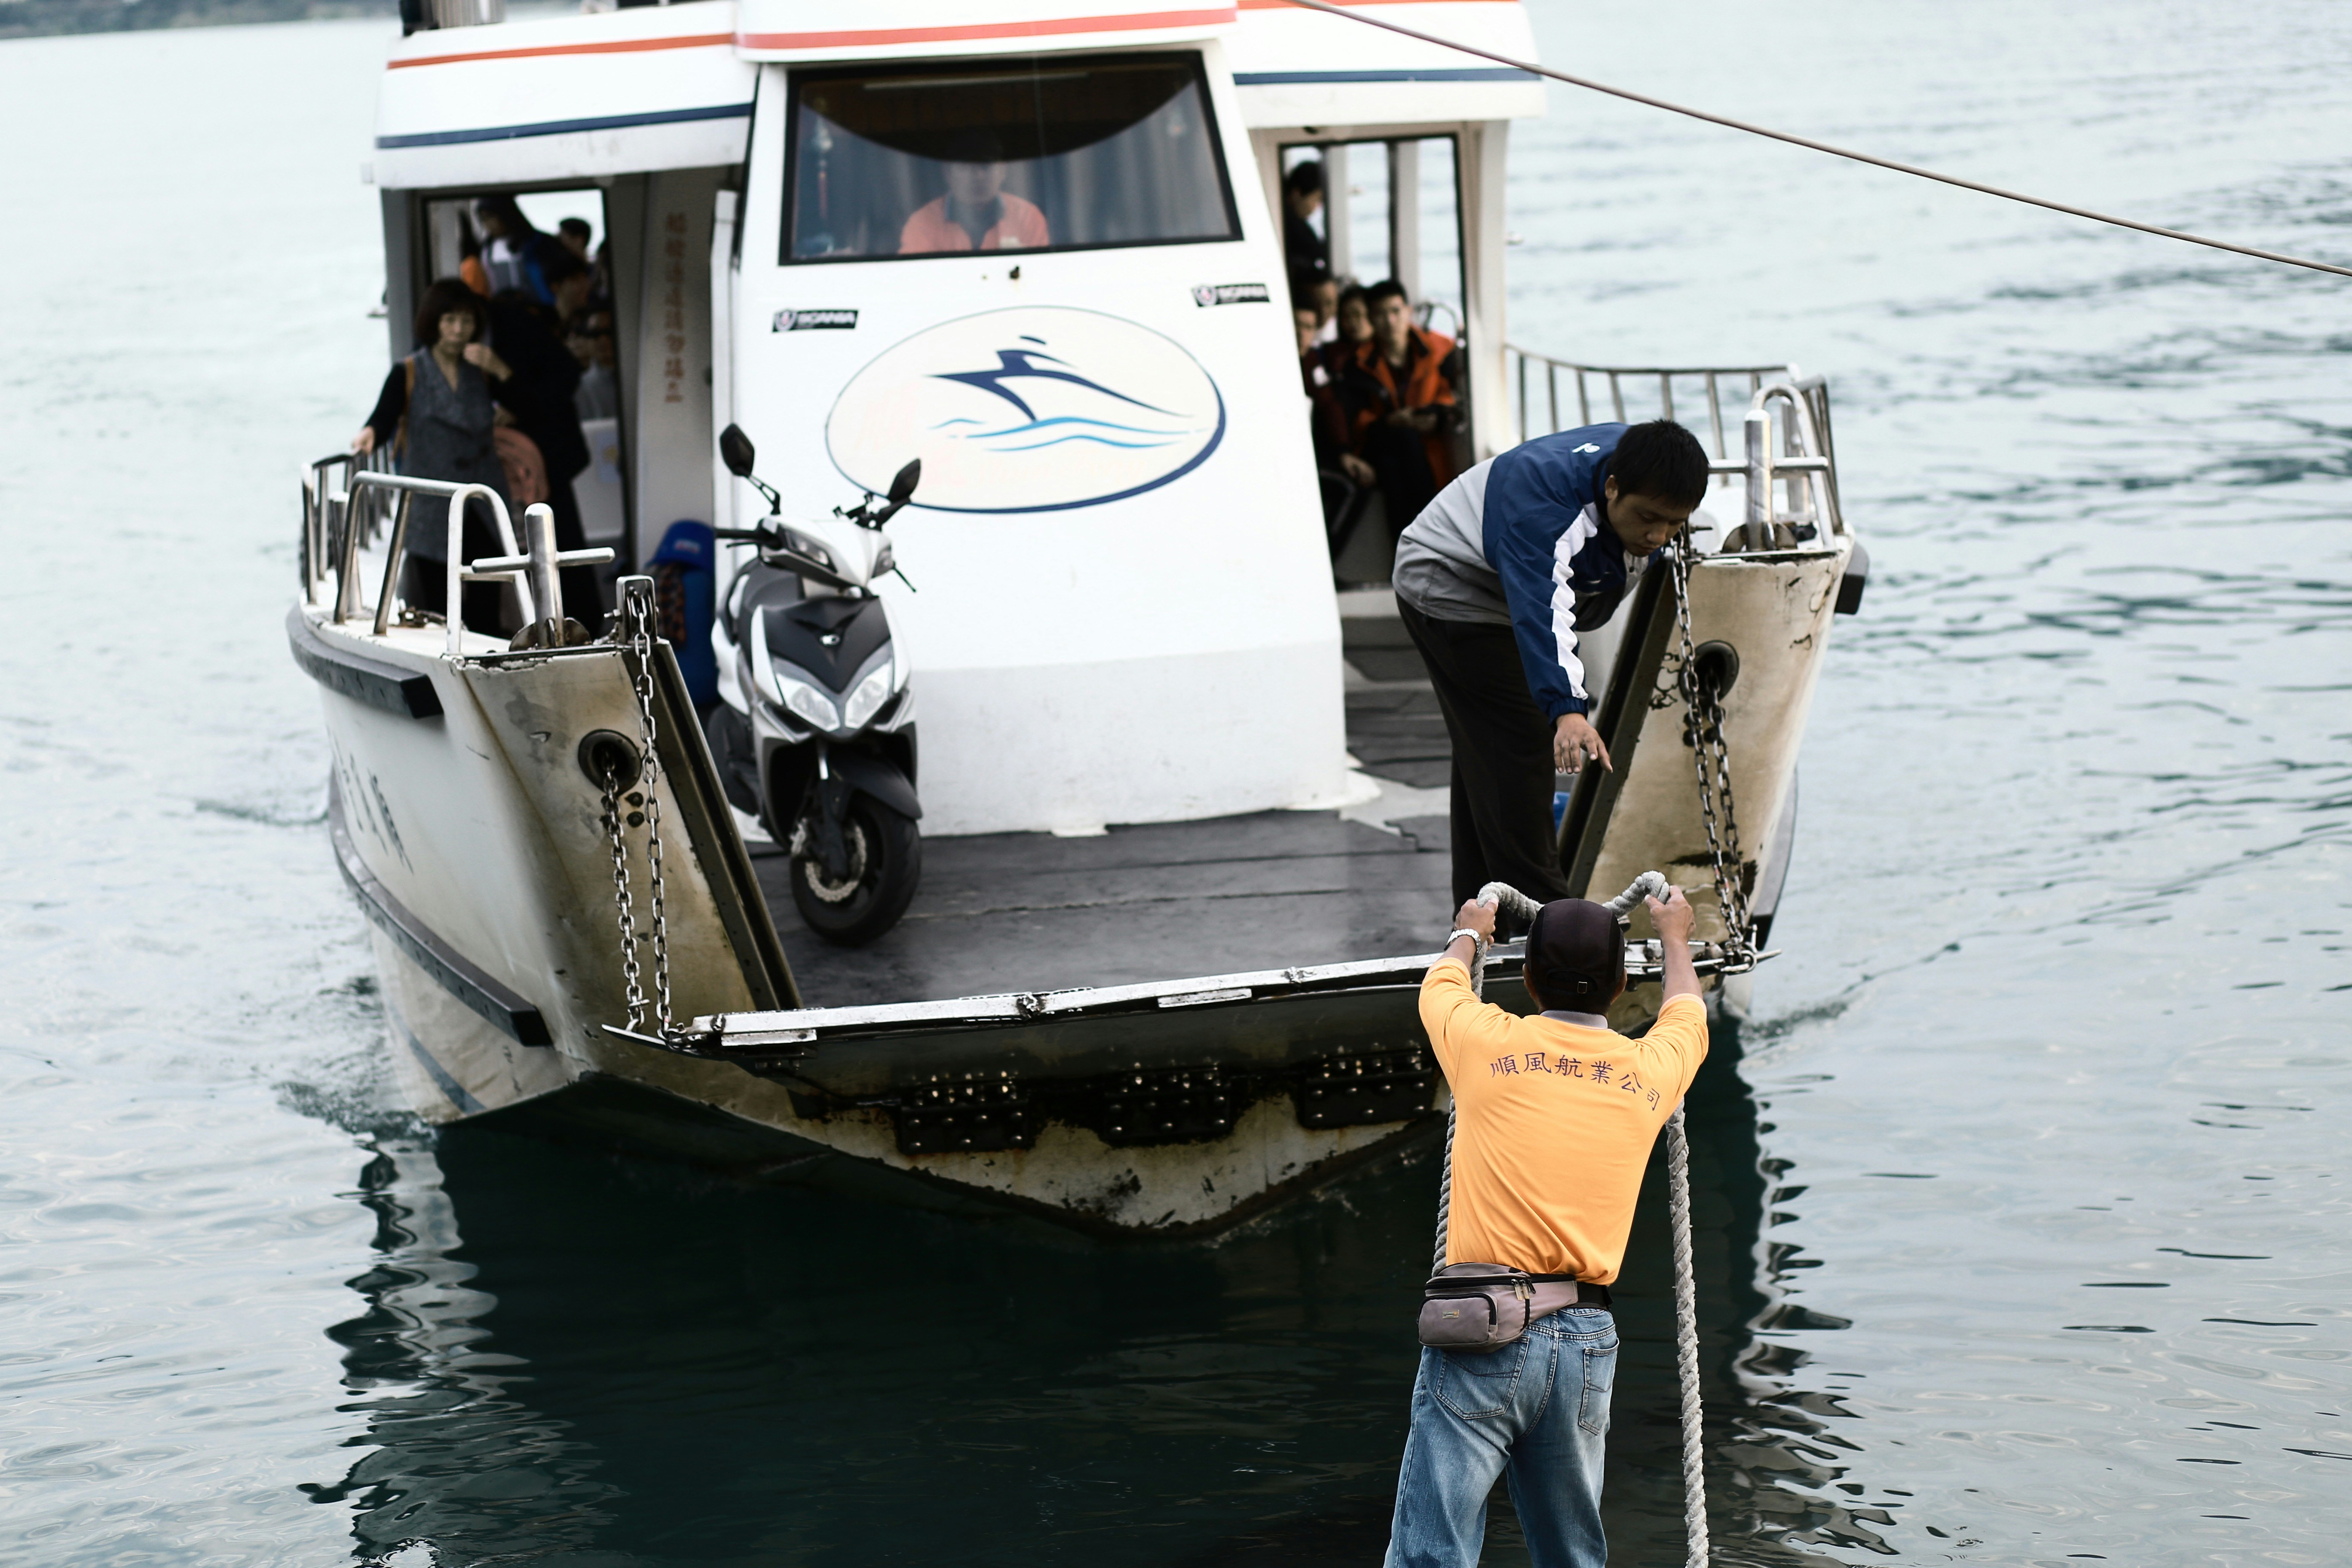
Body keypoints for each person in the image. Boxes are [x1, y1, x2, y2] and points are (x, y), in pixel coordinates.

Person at [1384, 883, 1709, 1568]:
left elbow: (1440, 985)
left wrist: (1470, 931)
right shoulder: (1649, 1070)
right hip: (1585, 1340)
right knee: (1572, 1556)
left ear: (1528, 979)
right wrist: (1676, 937)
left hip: (1482, 1327)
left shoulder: (1484, 1044)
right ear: (1621, 985)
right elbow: (1687, 1013)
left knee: (1431, 1553)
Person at [1392, 420, 1709, 907]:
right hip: (1450, 584)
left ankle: (1481, 917)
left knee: (1489, 754)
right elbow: (1543, 610)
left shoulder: (1647, 465)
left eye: (1674, 524)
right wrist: (1568, 711)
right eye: (1648, 517)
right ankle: (1549, 933)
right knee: (1518, 744)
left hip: (1502, 585)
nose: (1657, 534)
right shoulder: (1546, 510)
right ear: (1611, 488)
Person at [352, 278, 514, 631]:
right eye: (449, 321)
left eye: (466, 321)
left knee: (486, 591)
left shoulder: (481, 370)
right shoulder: (410, 371)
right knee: (437, 601)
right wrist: (370, 434)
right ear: (434, 323)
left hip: (482, 496)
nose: (458, 330)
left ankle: (485, 656)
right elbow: (385, 414)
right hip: (433, 502)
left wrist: (500, 369)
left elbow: (522, 405)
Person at [1345, 279, 1459, 547]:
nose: (1390, 321)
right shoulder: (1359, 362)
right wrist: (1391, 421)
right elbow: (1358, 420)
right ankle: (1427, 533)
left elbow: (1452, 397)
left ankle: (1406, 547)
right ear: (1372, 318)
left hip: (1423, 441)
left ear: (1408, 311)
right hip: (1380, 440)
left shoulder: (1439, 350)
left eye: (1395, 311)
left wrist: (1435, 416)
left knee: (1392, 465)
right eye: (1381, 314)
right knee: (1400, 441)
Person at [898, 138, 1050, 254]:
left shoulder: (1027, 217)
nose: (978, 176)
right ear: (948, 173)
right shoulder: (923, 222)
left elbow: (1041, 275)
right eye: (966, 167)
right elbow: (915, 280)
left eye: (986, 166)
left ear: (1003, 171)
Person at [1282, 158, 1329, 284]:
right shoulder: (1292, 225)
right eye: (1317, 199)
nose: (1317, 207)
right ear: (1297, 194)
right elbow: (1315, 251)